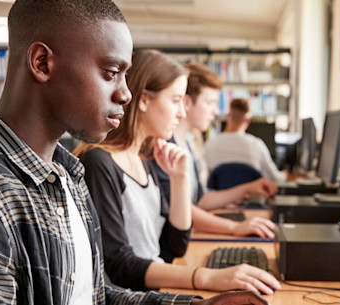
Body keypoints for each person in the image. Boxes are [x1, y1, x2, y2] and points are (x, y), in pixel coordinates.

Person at [0, 1, 269, 304]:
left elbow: (91, 295)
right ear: (42, 63)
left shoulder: (67, 174)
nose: (125, 94)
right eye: (111, 73)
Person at [74, 49, 280, 295]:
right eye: (175, 101)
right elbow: (119, 265)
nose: (181, 113)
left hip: (152, 292)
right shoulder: (99, 162)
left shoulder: (144, 159)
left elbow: (174, 247)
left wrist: (180, 179)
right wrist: (206, 277)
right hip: (129, 298)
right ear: (145, 100)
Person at [156, 63, 279, 215]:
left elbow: (200, 200)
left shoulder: (187, 142)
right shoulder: (165, 147)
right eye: (209, 103)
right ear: (187, 102)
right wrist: (234, 228)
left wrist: (247, 189)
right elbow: (180, 209)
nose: (216, 111)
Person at [204, 98, 287, 182]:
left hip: (218, 195)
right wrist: (285, 174)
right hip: (251, 194)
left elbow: (204, 178)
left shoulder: (210, 144)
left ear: (228, 116)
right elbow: (276, 178)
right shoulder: (256, 145)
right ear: (247, 120)